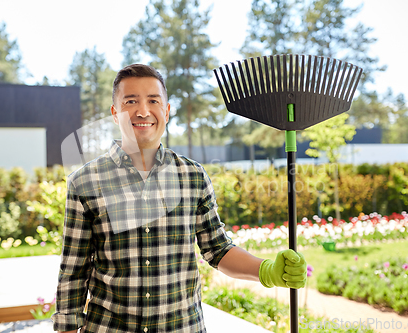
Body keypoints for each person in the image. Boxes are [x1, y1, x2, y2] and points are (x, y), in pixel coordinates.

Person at [52, 64, 307, 333]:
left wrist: (267, 271)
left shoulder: (193, 176)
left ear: (167, 111)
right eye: (131, 101)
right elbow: (74, 271)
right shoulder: (85, 181)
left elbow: (217, 249)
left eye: (153, 101)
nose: (142, 111)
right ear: (115, 113)